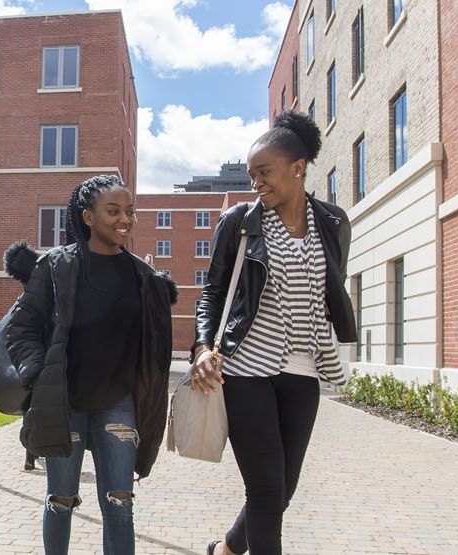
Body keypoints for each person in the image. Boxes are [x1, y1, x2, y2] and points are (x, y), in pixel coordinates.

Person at [189, 111, 356, 555]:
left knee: (283, 490)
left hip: (304, 369)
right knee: (264, 490)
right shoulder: (242, 222)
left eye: (265, 172)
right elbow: (213, 293)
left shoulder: (334, 223)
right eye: (252, 175)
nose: (256, 183)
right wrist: (204, 347)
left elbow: (331, 288)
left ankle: (226, 550)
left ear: (297, 167)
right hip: (246, 369)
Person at [4, 175, 177, 555]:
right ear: (87, 216)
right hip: (64, 403)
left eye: (130, 211)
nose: (125, 220)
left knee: (120, 504)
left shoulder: (144, 278)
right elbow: (22, 328)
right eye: (113, 211)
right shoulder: (56, 266)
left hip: (118, 404)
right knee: (61, 501)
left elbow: (154, 350)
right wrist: (37, 375)